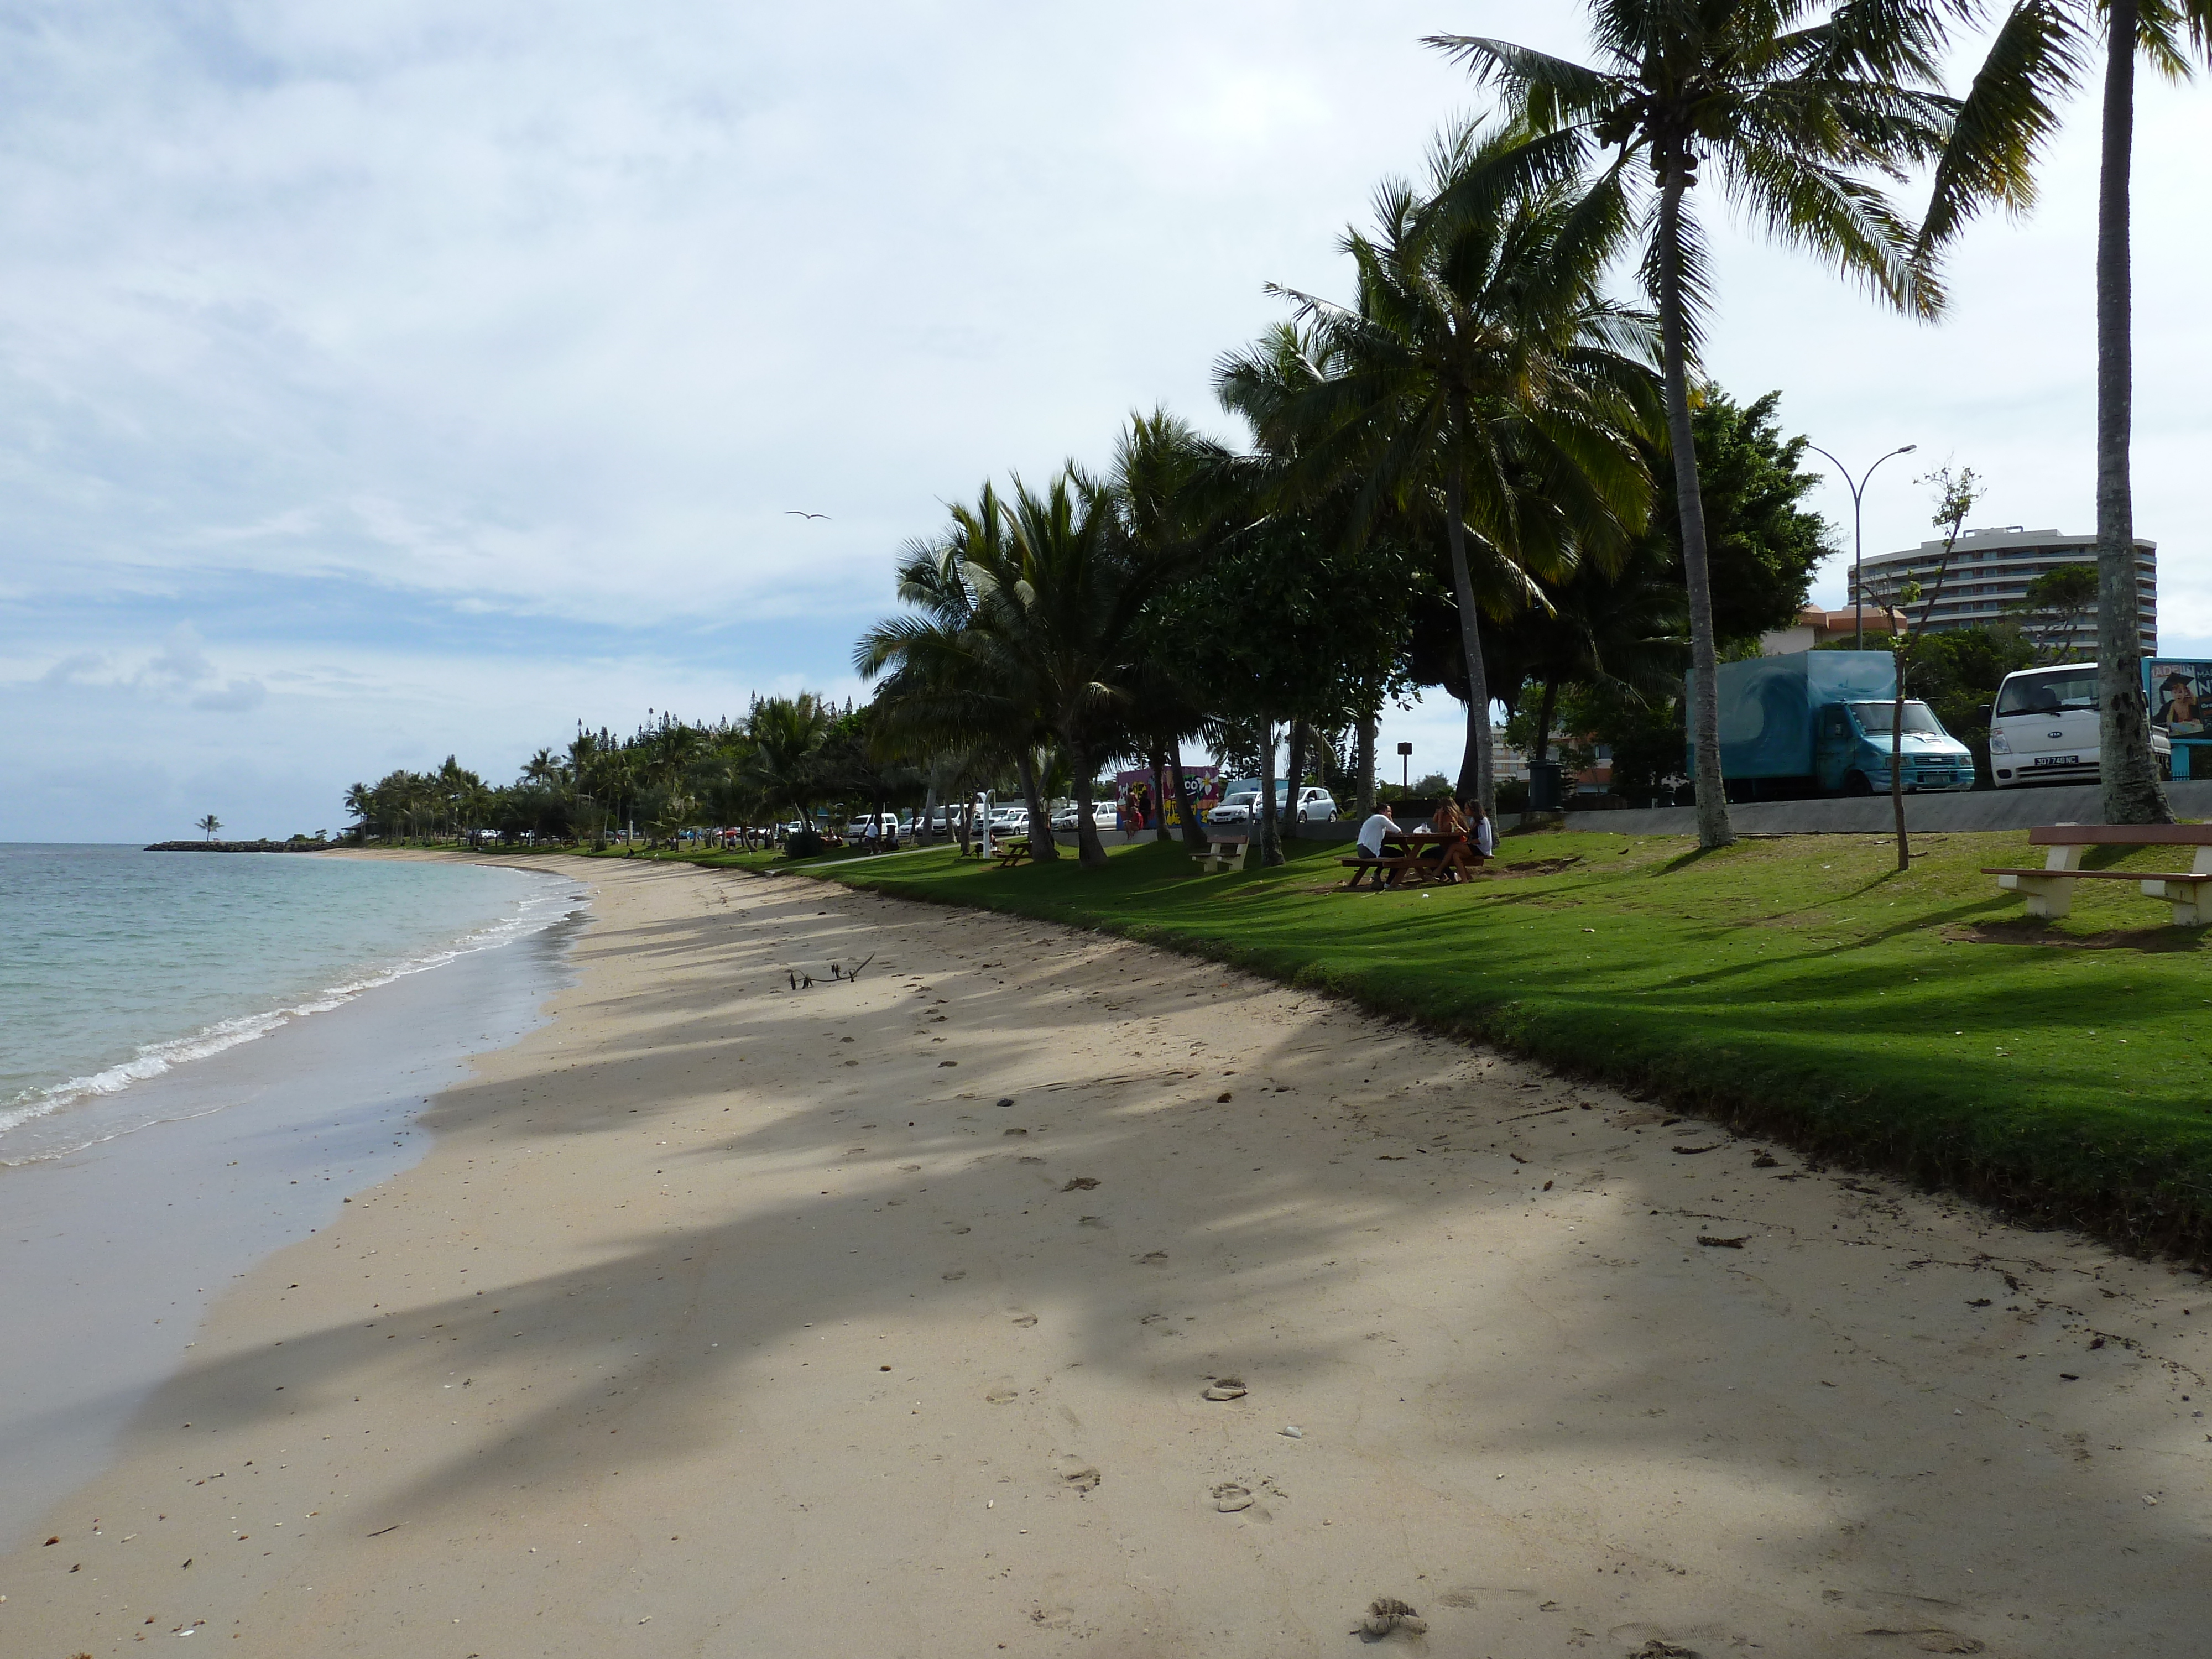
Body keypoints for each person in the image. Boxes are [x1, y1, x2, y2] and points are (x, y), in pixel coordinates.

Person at [1356, 805, 1405, 889]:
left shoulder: (1373, 819)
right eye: (1388, 811)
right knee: (1399, 855)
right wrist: (1390, 819)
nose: (1390, 814)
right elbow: (1398, 831)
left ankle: (1377, 874)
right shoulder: (1381, 818)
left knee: (1387, 853)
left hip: (1362, 850)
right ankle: (1389, 884)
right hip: (1369, 850)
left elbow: (1389, 831)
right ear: (1382, 812)